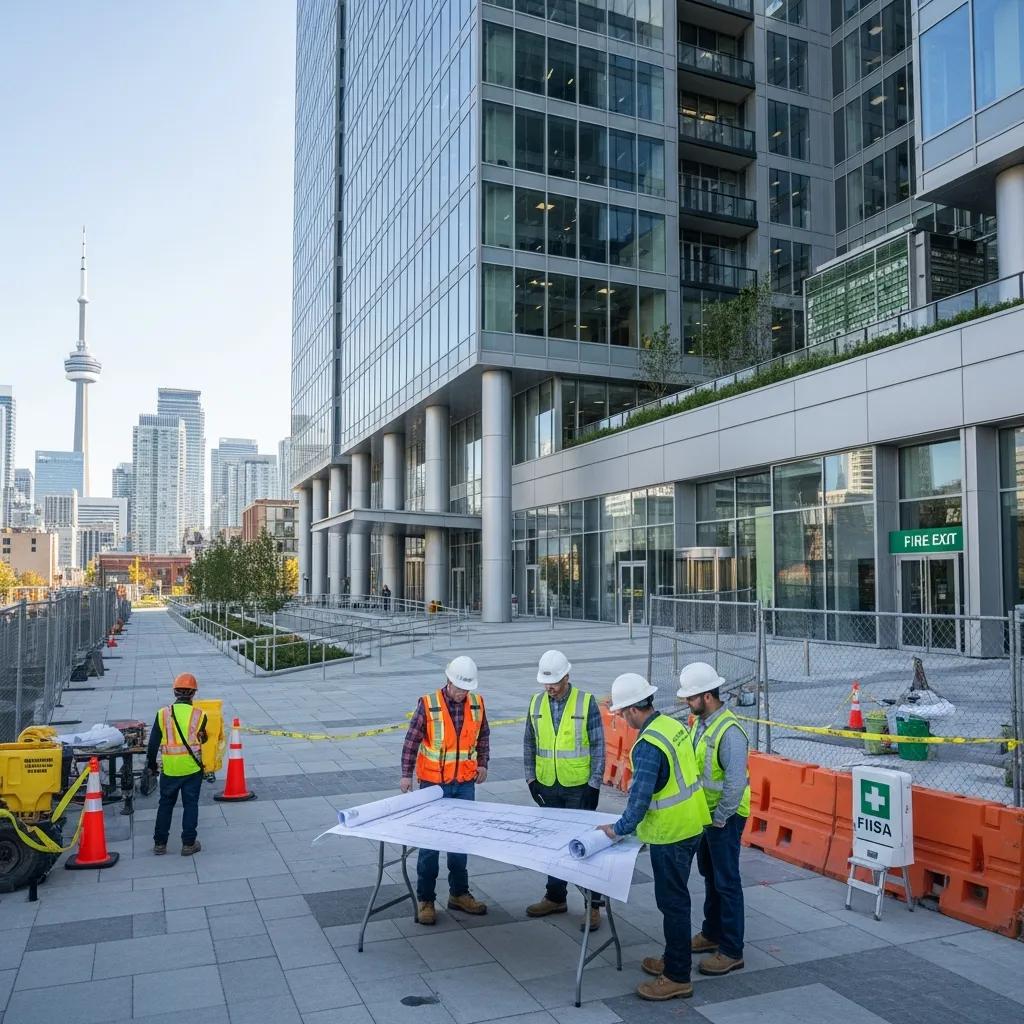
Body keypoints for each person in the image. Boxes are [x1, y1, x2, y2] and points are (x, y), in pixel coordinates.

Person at [597, 673, 710, 1002]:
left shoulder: (648, 745)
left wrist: (616, 831)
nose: (621, 719)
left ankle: (677, 976)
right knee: (676, 900)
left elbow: (640, 800)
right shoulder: (672, 726)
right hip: (691, 824)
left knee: (672, 903)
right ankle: (674, 958)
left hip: (671, 833)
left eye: (621, 713)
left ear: (633, 709)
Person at [400, 655, 490, 924]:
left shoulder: (477, 703)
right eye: (460, 688)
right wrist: (406, 775)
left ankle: (458, 893)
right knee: (429, 844)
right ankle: (426, 899)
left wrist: (483, 763)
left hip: (464, 784)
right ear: (448, 681)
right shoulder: (428, 704)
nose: (463, 693)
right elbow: (411, 740)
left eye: (467, 689)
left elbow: (483, 735)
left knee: (460, 841)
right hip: (433, 785)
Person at [676, 662, 749, 977]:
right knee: (710, 875)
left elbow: (734, 784)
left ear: (707, 696)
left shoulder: (729, 731)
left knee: (727, 881)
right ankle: (711, 932)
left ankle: (731, 949)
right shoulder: (700, 723)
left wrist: (719, 818)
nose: (686, 703)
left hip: (724, 819)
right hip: (706, 817)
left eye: (691, 698)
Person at [524, 650, 605, 931]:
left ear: (567, 676)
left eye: (555, 682)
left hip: (578, 788)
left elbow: (598, 745)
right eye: (546, 682)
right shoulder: (536, 703)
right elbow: (529, 744)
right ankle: (555, 896)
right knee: (553, 844)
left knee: (585, 847)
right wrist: (531, 780)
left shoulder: (585, 702)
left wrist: (594, 784)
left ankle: (593, 905)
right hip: (548, 785)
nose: (550, 687)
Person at [147, 672, 208, 856]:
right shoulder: (200, 715)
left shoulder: (162, 714)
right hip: (192, 768)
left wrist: (151, 765)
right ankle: (188, 844)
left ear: (175, 692)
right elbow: (202, 739)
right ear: (193, 693)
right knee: (191, 804)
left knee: (165, 804)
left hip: (170, 769)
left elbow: (153, 743)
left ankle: (160, 843)